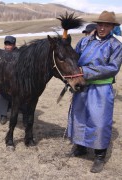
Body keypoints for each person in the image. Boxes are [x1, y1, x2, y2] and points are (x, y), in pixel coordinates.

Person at [67, 11, 122, 173]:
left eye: (106, 25)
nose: (102, 28)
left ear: (112, 27)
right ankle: (81, 147)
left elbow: (113, 68)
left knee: (99, 121)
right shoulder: (84, 41)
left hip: (101, 89)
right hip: (81, 86)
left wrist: (85, 71)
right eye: (100, 24)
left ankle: (99, 156)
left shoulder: (116, 46)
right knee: (80, 117)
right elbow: (74, 58)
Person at [0, 35, 18, 124]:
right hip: (3, 80)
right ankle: (3, 115)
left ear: (14, 45)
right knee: (3, 95)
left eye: (10, 44)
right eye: (6, 44)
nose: (7, 47)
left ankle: (15, 113)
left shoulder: (19, 54)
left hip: (15, 81)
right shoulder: (1, 54)